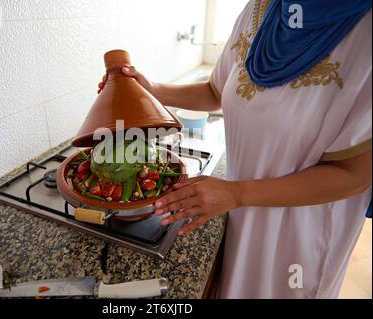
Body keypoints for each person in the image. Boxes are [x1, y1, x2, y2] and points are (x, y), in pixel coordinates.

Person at [98, 0, 372, 298]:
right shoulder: (261, 8)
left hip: (301, 233)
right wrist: (152, 91)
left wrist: (236, 193)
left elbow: (353, 175)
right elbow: (215, 91)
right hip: (241, 208)